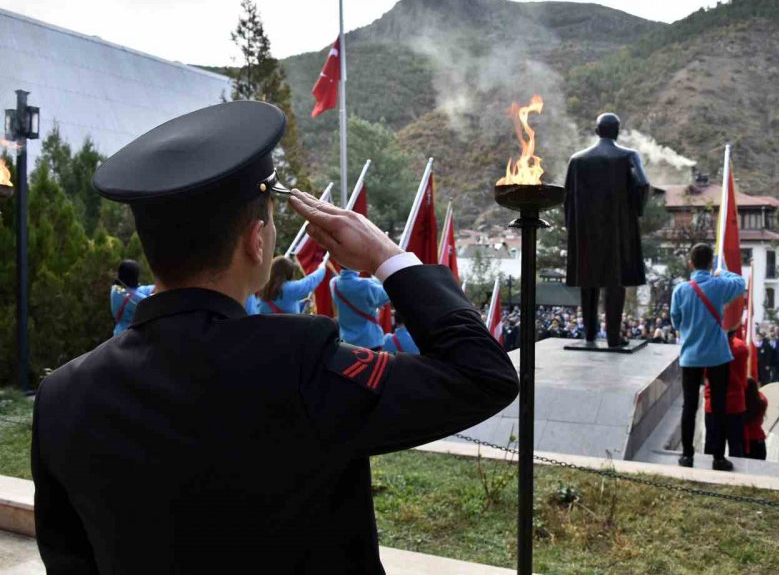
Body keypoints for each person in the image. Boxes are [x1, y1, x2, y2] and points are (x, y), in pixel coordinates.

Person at [31, 101, 519, 574]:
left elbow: (71, 559)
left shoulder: (63, 395)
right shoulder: (301, 364)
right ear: (257, 240)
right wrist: (387, 257)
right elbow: (482, 374)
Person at [564, 112, 650, 348]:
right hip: (617, 231)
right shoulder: (628, 156)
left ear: (596, 130)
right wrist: (635, 211)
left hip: (586, 233)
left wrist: (573, 227)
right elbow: (643, 185)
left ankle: (589, 335)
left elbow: (567, 198)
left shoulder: (577, 160)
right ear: (618, 130)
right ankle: (613, 337)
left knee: (588, 282)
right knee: (615, 281)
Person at [669, 242, 746, 471]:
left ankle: (687, 455)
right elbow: (740, 283)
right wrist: (723, 270)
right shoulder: (719, 284)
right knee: (719, 406)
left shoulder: (681, 290)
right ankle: (718, 458)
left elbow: (675, 320)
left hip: (691, 355)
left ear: (690, 263)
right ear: (710, 263)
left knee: (689, 407)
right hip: (717, 355)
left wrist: (689, 329)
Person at [703, 326, 749, 459]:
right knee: (736, 448)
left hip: (712, 404)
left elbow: (706, 374)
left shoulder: (710, 347)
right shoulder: (741, 348)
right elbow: (743, 379)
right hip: (735, 404)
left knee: (711, 447)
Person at [331, 267, 391, 350]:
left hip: (346, 343)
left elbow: (361, 284)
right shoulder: (366, 285)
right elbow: (387, 293)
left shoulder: (333, 283)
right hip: (370, 341)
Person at [257, 256, 328, 314]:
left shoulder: (263, 286)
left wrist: (301, 304)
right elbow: (309, 282)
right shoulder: (288, 289)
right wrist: (321, 269)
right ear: (288, 273)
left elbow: (281, 306)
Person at [110, 260, 154, 335]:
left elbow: (138, 291)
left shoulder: (115, 289)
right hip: (127, 337)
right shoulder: (130, 298)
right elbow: (148, 301)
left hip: (118, 332)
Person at [744, 378, 768, 460]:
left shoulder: (743, 405)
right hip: (758, 441)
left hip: (744, 441)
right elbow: (761, 396)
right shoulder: (761, 402)